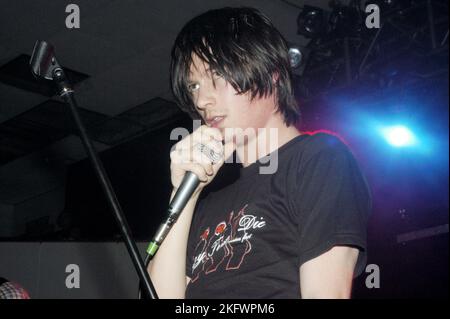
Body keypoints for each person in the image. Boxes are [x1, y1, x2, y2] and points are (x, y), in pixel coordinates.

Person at [148, 7, 371, 299]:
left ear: (272, 73)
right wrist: (185, 196)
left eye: (216, 74)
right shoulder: (209, 205)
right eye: (194, 85)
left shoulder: (319, 159)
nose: (202, 100)